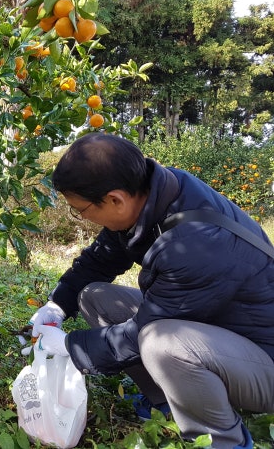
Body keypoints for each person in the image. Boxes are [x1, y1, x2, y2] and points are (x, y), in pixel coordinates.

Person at [29, 133, 274, 449]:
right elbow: (101, 258)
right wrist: (57, 305)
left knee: (163, 344)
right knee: (96, 297)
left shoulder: (194, 245)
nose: (83, 218)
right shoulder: (155, 196)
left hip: (263, 359)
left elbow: (139, 335)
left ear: (116, 199)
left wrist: (69, 345)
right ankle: (166, 403)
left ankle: (225, 440)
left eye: (81, 209)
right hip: (220, 329)